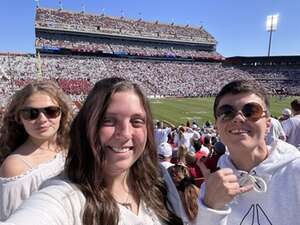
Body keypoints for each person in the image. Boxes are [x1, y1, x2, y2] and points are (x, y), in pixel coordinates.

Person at [1, 77, 201, 225]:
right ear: (88, 126)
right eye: (108, 120)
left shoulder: (159, 178)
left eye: (136, 121)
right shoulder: (64, 197)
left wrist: (214, 209)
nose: (124, 133)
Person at [197, 80, 300, 225]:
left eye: (251, 111)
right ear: (216, 126)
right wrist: (212, 210)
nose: (238, 118)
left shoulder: (295, 171)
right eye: (226, 112)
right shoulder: (211, 187)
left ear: (268, 124)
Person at [0, 80, 74, 221]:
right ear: (19, 118)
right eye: (31, 113)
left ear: (62, 113)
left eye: (51, 111)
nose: (42, 119)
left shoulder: (72, 147)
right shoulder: (15, 167)